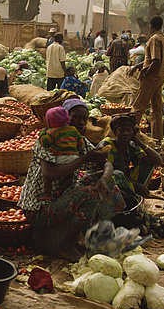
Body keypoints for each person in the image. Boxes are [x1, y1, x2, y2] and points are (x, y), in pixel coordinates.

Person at [18, 98, 126, 261]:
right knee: (90, 193)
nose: (81, 122)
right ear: (64, 117)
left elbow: (106, 162)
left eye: (84, 119)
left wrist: (104, 178)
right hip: (40, 208)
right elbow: (49, 174)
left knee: (109, 181)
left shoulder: (79, 141)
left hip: (60, 199)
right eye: (75, 117)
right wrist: (83, 160)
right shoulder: (48, 139)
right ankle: (65, 246)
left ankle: (97, 235)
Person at [96, 113, 162, 203]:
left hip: (126, 181)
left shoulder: (131, 145)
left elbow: (158, 161)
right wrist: (135, 185)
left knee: (149, 163)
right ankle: (133, 198)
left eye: (129, 130)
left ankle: (134, 195)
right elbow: (105, 171)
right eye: (122, 130)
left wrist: (138, 141)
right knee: (117, 174)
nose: (125, 133)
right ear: (115, 132)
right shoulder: (107, 145)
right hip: (105, 181)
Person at [129, 16, 164, 141]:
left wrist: (144, 72)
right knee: (156, 109)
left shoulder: (154, 39)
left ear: (151, 26)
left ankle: (129, 135)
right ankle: (158, 138)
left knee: (138, 106)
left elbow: (155, 61)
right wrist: (137, 66)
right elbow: (151, 59)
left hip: (151, 78)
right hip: (160, 78)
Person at [38, 106, 85, 200]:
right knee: (70, 174)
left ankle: (47, 194)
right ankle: (61, 190)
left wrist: (42, 133)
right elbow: (80, 144)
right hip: (73, 158)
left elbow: (45, 142)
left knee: (48, 178)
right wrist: (75, 149)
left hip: (60, 158)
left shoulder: (53, 131)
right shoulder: (73, 130)